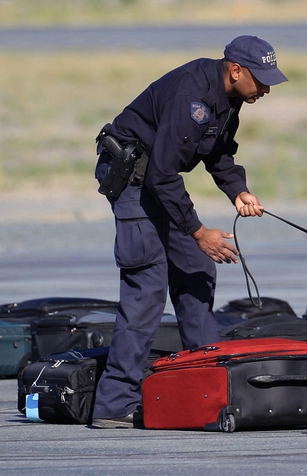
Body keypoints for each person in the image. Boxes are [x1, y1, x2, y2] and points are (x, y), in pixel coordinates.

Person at [90, 35, 287, 429]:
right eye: (261, 80)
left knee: (197, 269)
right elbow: (163, 174)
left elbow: (218, 153)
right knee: (147, 286)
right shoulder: (192, 96)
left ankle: (209, 384)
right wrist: (199, 232)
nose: (266, 88)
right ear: (236, 70)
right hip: (133, 180)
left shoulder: (229, 98)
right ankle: (114, 403)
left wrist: (239, 191)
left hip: (157, 182)